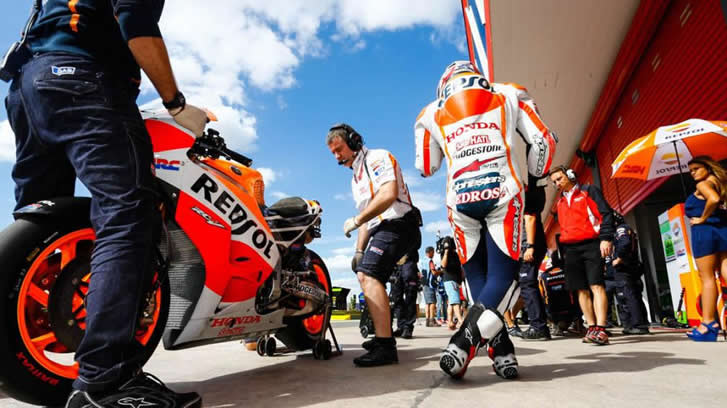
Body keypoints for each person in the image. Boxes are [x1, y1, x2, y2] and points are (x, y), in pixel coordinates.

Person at [4, 1, 208, 407]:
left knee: (46, 237)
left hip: (28, 89)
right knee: (128, 215)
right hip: (85, 79)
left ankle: (29, 362)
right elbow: (134, 16)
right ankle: (106, 382)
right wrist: (177, 104)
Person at [415, 61, 556, 380]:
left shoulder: (428, 112)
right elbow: (543, 142)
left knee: (477, 276)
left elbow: (426, 166)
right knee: (503, 277)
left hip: (459, 199)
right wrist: (536, 183)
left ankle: (502, 350)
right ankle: (464, 342)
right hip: (503, 190)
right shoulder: (510, 92)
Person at [327, 123, 422, 366]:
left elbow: (388, 194)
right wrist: (358, 251)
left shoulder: (378, 157)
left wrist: (357, 220)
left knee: (369, 274)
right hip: (383, 227)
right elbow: (367, 219)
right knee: (365, 273)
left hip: (400, 223)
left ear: (354, 142)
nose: (337, 156)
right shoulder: (355, 179)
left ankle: (385, 346)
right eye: (333, 153)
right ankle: (383, 335)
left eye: (339, 149)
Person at [550, 166, 614, 346]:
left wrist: (606, 238)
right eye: (554, 182)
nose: (557, 183)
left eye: (559, 178)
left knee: (596, 285)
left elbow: (605, 214)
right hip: (570, 249)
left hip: (591, 244)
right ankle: (591, 327)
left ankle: (601, 329)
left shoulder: (588, 191)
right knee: (580, 289)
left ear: (570, 175)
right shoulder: (560, 202)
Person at [684, 156, 727, 341]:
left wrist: (702, 218)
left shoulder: (703, 184)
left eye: (696, 168)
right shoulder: (719, 182)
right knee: (725, 271)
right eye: (691, 170)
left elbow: (713, 199)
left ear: (707, 167)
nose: (693, 173)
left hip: (705, 232)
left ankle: (708, 324)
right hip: (722, 229)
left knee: (707, 277)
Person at [520, 174, 551, 340]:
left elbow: (530, 219)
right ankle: (540, 325)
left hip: (530, 246)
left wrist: (529, 246)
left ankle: (538, 327)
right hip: (532, 245)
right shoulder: (531, 193)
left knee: (528, 285)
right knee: (529, 285)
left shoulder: (528, 194)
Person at [609, 213, 650, 335]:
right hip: (631, 268)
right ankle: (638, 324)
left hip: (625, 269)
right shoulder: (624, 229)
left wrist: (618, 259)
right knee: (634, 295)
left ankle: (637, 325)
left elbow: (625, 243)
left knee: (628, 296)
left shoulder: (621, 229)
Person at [390, 249, 421, 339]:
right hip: (395, 266)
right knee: (396, 298)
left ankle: (408, 327)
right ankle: (401, 326)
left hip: (409, 263)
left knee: (410, 297)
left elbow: (416, 244)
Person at [439, 236, 465, 329]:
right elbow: (443, 265)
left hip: (455, 280)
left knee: (451, 302)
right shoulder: (444, 254)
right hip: (449, 280)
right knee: (455, 301)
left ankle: (450, 322)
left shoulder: (455, 255)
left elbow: (459, 268)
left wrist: (461, 280)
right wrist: (446, 252)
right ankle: (461, 321)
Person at [423, 246, 442, 327]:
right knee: (433, 302)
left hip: (424, 285)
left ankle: (427, 321)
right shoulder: (430, 261)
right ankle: (432, 320)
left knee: (427, 303)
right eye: (433, 252)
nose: (434, 254)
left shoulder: (422, 261)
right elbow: (434, 272)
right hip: (430, 285)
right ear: (430, 252)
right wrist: (441, 271)